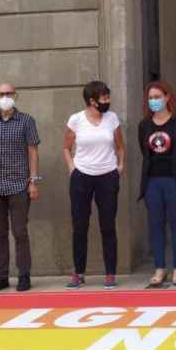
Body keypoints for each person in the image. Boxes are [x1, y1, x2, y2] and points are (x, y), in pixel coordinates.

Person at [0, 83, 41, 293]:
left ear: (16, 96)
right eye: (1, 94)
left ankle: (24, 275)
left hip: (19, 186)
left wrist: (33, 182)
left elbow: (32, 152)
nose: (5, 97)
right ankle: (1, 276)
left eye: (8, 93)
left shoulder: (26, 121)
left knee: (20, 231)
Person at [63, 80, 126, 289]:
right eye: (104, 98)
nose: (108, 101)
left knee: (108, 225)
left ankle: (110, 273)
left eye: (108, 97)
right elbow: (66, 147)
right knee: (80, 226)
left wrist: (120, 166)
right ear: (92, 101)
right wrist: (72, 168)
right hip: (82, 177)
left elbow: (119, 146)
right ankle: (78, 273)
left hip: (108, 176)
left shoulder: (112, 118)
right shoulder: (76, 120)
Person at [138, 81, 176, 287]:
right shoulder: (144, 125)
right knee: (155, 225)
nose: (154, 101)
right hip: (153, 181)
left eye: (157, 97)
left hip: (175, 181)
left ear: (168, 97)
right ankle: (159, 269)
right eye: (151, 98)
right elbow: (144, 152)